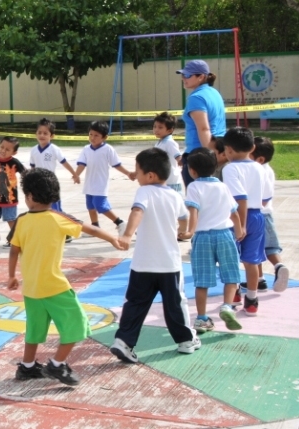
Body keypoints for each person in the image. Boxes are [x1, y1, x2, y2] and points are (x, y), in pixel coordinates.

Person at [9, 169, 122, 386]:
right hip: (54, 287)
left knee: (34, 328)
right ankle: (57, 364)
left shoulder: (21, 221)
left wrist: (12, 275)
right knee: (78, 324)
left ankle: (28, 366)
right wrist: (112, 239)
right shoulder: (58, 218)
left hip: (31, 288)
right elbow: (89, 228)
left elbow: (14, 250)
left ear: (30, 196)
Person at [110, 148, 197, 364]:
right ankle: (186, 341)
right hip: (169, 264)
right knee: (175, 304)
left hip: (143, 264)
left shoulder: (144, 192)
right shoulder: (175, 195)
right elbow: (184, 219)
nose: (135, 176)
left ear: (150, 176)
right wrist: (184, 232)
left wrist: (128, 235)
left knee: (135, 304)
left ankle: (124, 341)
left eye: (137, 172)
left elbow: (137, 211)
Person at [178, 148, 243, 333]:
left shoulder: (194, 187)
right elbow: (234, 213)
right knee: (231, 275)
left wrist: (190, 231)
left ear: (192, 171)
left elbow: (194, 211)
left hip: (203, 237)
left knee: (202, 281)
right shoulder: (222, 186)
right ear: (215, 167)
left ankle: (201, 318)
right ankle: (227, 307)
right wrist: (238, 231)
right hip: (224, 234)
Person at [222, 127, 269, 316]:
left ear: (229, 150)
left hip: (238, 216)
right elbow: (265, 196)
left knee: (230, 259)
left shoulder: (230, 168)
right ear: (252, 147)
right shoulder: (259, 167)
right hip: (258, 216)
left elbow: (240, 199)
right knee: (252, 261)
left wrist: (239, 225)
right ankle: (252, 300)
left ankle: (234, 295)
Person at [73, 121, 136, 235]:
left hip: (100, 184)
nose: (92, 137)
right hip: (89, 183)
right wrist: (76, 174)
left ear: (105, 137)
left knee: (100, 206)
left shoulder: (108, 149)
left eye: (96, 135)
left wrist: (128, 173)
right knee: (90, 206)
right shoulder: (86, 149)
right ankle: (95, 226)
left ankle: (120, 222)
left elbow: (116, 164)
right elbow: (82, 164)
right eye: (91, 134)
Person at [178, 60, 226, 187]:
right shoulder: (215, 93)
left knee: (197, 203)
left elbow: (204, 128)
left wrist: (209, 158)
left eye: (188, 75)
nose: (183, 78)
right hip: (219, 150)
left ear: (201, 77)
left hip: (200, 156)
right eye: (182, 75)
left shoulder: (196, 98)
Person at [251, 137, 289, 292]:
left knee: (260, 249)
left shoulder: (258, 171)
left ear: (259, 159)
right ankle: (259, 279)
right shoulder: (267, 169)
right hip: (266, 215)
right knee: (261, 248)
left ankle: (279, 267)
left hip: (258, 214)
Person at [29, 119, 77, 242]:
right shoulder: (33, 150)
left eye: (45, 133)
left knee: (55, 209)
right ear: (36, 134)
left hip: (51, 183)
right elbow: (32, 168)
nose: (42, 135)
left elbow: (64, 162)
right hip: (38, 185)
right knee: (40, 209)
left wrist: (74, 174)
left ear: (52, 136)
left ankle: (67, 231)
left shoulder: (54, 149)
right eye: (39, 132)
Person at [153, 112, 184, 193]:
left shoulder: (170, 143)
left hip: (171, 181)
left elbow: (178, 158)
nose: (156, 129)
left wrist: (183, 163)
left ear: (170, 130)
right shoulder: (159, 143)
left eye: (160, 127)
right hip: (162, 180)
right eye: (155, 126)